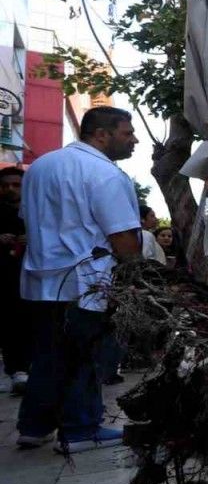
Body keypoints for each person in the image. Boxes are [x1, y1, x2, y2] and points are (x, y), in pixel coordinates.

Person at [17, 106, 141, 454]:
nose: (134, 140)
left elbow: (29, 220)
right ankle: (81, 428)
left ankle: (34, 426)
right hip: (86, 282)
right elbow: (123, 237)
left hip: (40, 280)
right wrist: (139, 278)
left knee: (48, 355)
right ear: (101, 134)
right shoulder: (105, 174)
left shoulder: (40, 167)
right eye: (127, 133)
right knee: (84, 356)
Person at [1, 166, 32, 395]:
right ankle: (17, 370)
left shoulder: (36, 211)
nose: (10, 190)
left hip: (32, 277)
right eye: (5, 185)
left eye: (15, 185)